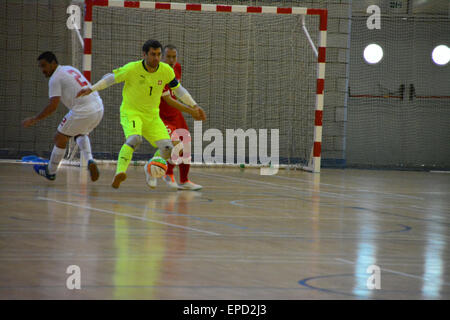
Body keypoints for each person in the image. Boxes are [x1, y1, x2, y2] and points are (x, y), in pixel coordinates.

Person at [77, 40, 203, 189]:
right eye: (152, 54)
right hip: (132, 113)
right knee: (135, 139)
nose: (156, 58)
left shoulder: (166, 71)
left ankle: (150, 168)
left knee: (169, 149)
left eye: (158, 54)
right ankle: (120, 172)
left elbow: (179, 90)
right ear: (144, 54)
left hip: (152, 116)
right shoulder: (132, 68)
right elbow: (111, 78)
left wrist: (194, 105)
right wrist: (92, 88)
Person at [22, 51, 103, 182]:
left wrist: (34, 119)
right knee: (79, 133)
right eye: (40, 67)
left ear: (53, 63)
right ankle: (90, 160)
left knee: (59, 137)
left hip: (84, 111)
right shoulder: (69, 69)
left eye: (44, 66)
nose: (43, 70)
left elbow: (53, 106)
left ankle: (50, 171)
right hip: (98, 107)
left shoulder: (55, 79)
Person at [159, 44, 205, 190]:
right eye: (168, 57)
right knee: (176, 145)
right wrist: (191, 110)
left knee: (186, 145)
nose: (171, 60)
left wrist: (194, 105)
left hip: (176, 114)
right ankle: (168, 173)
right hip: (162, 115)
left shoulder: (177, 68)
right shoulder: (159, 72)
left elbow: (178, 92)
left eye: (174, 57)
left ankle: (184, 180)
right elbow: (168, 100)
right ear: (162, 57)